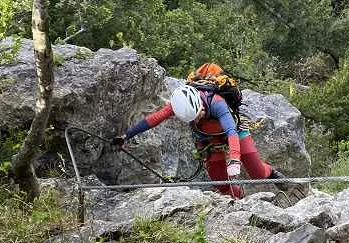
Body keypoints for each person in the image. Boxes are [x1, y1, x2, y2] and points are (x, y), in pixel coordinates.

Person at [112, 65, 284, 198]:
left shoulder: (216, 102)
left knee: (257, 173)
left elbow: (231, 131)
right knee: (221, 183)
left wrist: (234, 160)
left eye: (198, 115)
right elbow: (153, 119)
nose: (197, 120)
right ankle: (240, 202)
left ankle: (275, 175)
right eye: (193, 119)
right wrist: (126, 136)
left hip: (235, 132)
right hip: (208, 140)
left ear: (200, 104)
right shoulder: (179, 104)